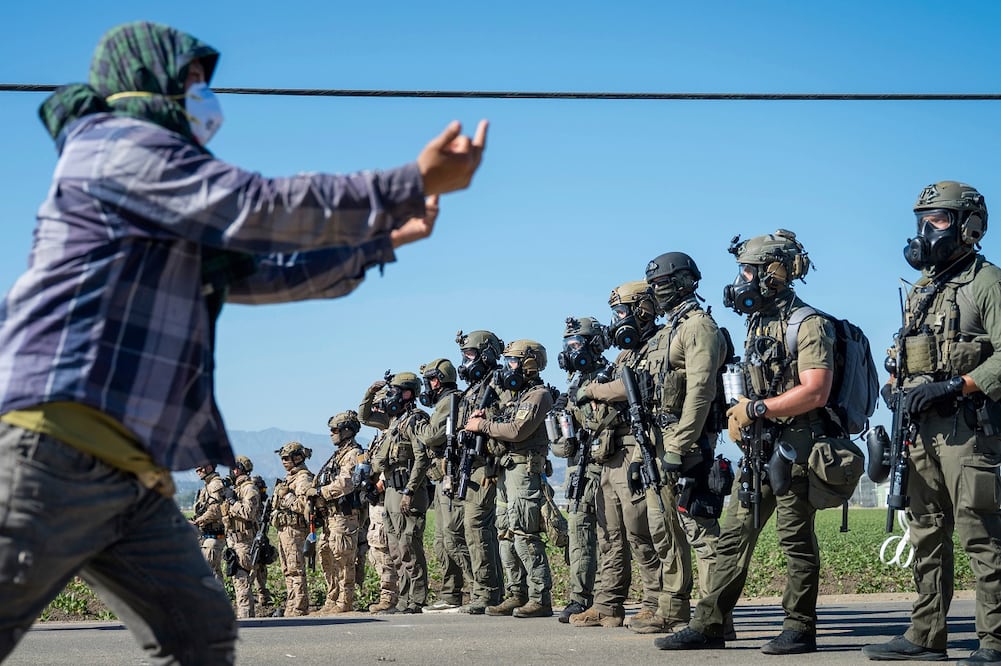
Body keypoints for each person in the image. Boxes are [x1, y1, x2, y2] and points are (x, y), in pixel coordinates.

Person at [0, 19, 487, 662]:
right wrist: (403, 183)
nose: (205, 97)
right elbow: (255, 208)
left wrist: (378, 244)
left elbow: (257, 272)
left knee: (200, 635)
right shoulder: (114, 147)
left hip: (129, 472)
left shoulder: (169, 199)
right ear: (148, 82)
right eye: (193, 82)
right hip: (51, 445)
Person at [657, 229, 840, 655]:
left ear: (775, 272)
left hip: (797, 444)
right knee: (734, 536)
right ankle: (709, 625)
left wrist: (758, 410)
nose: (740, 280)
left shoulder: (808, 324)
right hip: (760, 448)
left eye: (748, 270)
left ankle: (800, 627)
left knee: (795, 539)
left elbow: (816, 390)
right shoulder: (759, 320)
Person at [862, 182, 1001, 665]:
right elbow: (909, 352)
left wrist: (954, 386)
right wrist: (895, 384)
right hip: (918, 430)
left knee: (980, 533)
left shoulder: (987, 282)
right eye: (921, 220)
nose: (924, 231)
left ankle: (995, 641)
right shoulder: (923, 287)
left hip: (968, 430)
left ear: (969, 226)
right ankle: (927, 633)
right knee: (925, 530)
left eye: (937, 220)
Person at [630, 253, 731, 636]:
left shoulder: (698, 327)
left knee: (699, 530)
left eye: (661, 283)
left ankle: (714, 618)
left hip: (687, 442)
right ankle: (673, 610)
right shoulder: (672, 329)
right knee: (664, 528)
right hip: (661, 439)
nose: (655, 291)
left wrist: (680, 445)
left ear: (686, 281)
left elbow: (701, 392)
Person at [570, 282, 663, 629]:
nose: (617, 320)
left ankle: (655, 601)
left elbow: (628, 388)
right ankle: (608, 604)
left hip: (635, 451)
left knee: (640, 532)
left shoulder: (657, 345)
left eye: (621, 312)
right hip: (610, 455)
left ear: (643, 310)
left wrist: (593, 390)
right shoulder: (625, 355)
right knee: (610, 535)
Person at [465, 339, 555, 619]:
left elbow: (517, 430)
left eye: (514, 361)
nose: (508, 368)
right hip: (505, 471)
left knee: (525, 533)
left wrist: (483, 425)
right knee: (505, 533)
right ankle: (517, 593)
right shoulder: (516, 397)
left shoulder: (538, 395)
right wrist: (485, 416)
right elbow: (503, 426)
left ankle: (540, 598)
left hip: (524, 471)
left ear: (530, 363)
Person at [549, 317, 607, 623]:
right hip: (576, 469)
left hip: (597, 467)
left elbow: (598, 424)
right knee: (578, 532)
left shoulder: (604, 379)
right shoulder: (575, 383)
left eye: (576, 345)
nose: (570, 352)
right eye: (566, 346)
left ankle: (591, 598)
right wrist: (559, 419)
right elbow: (562, 448)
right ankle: (581, 597)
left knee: (594, 534)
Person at [361, 372, 432, 613]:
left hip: (407, 490)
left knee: (408, 546)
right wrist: (370, 392)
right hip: (390, 489)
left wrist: (410, 490)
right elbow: (365, 416)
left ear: (409, 393)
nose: (390, 396)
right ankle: (403, 599)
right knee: (394, 549)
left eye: (395, 391)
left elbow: (422, 458)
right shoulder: (393, 422)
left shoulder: (415, 420)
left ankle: (417, 598)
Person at [453, 330, 506, 614]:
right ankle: (486, 590)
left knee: (478, 528)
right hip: (470, 465)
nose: (466, 361)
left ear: (485, 355)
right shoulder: (473, 389)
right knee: (472, 530)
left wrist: (488, 417)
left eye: (470, 354)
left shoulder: (496, 385)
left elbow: (505, 415)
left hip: (487, 465)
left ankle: (487, 592)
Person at [417, 358, 473, 611]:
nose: (427, 386)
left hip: (451, 476)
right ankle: (451, 593)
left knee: (452, 536)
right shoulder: (442, 403)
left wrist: (416, 426)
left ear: (438, 380)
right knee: (440, 540)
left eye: (429, 380)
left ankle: (475, 590)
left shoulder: (449, 402)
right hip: (441, 477)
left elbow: (431, 436)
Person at [314, 411, 365, 614]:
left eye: (335, 430)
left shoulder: (353, 453)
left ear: (347, 431)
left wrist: (320, 492)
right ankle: (332, 598)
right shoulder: (339, 454)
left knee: (343, 559)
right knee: (326, 555)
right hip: (331, 516)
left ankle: (345, 601)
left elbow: (346, 483)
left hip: (345, 515)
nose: (331, 434)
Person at [359, 387, 401, 614]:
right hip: (377, 501)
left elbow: (392, 462)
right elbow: (363, 416)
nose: (376, 410)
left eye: (379, 405)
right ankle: (389, 594)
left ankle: (390, 597)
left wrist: (379, 484)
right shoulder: (382, 433)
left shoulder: (395, 430)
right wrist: (368, 394)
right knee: (377, 548)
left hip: (386, 498)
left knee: (384, 548)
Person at [272, 441, 315, 617]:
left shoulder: (303, 478)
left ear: (297, 458)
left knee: (296, 569)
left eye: (286, 458)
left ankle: (299, 605)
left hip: (295, 529)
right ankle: (292, 604)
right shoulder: (290, 477)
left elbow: (306, 505)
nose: (283, 462)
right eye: (282, 458)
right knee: (288, 569)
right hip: (285, 529)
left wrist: (287, 496)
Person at [224, 455, 262, 618]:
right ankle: (246, 616)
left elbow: (249, 513)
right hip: (235, 542)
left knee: (242, 583)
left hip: (244, 543)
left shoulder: (248, 488)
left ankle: (246, 619)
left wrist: (233, 503)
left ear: (238, 469)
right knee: (239, 583)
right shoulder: (238, 489)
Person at [190, 464, 231, 582]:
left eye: (200, 467)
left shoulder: (214, 485)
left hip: (214, 535)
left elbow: (216, 510)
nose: (197, 470)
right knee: (214, 572)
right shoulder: (208, 486)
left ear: (209, 467)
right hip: (208, 535)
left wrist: (198, 522)